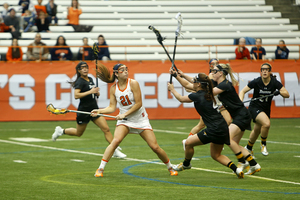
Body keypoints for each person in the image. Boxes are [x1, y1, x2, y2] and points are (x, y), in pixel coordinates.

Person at [91, 63, 178, 177]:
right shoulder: (113, 88)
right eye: (122, 70)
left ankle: (170, 167)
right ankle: (100, 169)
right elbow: (112, 107)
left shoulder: (133, 83)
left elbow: (138, 104)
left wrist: (124, 114)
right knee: (115, 141)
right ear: (116, 74)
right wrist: (99, 111)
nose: (126, 71)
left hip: (140, 119)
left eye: (126, 69)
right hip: (125, 121)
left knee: (155, 147)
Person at [168, 73, 244, 178]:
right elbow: (187, 84)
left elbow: (181, 98)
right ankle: (237, 170)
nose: (192, 82)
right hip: (222, 127)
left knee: (188, 143)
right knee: (216, 155)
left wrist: (172, 89)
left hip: (214, 129)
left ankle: (186, 164)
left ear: (199, 84)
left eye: (194, 81)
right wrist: (176, 75)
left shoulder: (197, 96)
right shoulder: (209, 92)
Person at [51, 61, 126, 159]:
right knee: (79, 133)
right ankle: (61, 131)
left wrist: (96, 93)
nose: (85, 69)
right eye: (82, 68)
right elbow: (76, 95)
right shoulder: (80, 81)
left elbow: (91, 92)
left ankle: (114, 150)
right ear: (79, 70)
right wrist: (91, 91)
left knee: (106, 129)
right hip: (84, 110)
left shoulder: (90, 79)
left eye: (86, 67)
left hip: (94, 109)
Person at [210, 63, 261, 175]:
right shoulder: (217, 83)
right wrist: (181, 76)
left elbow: (209, 92)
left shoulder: (225, 85)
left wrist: (199, 85)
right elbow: (197, 84)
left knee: (228, 138)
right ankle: (253, 164)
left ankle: (242, 161)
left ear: (220, 73)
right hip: (241, 116)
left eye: (214, 71)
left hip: (241, 115)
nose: (212, 73)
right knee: (235, 144)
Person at [173, 58, 232, 150]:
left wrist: (183, 76)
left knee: (227, 121)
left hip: (217, 103)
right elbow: (193, 82)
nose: (214, 65)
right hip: (211, 103)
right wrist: (182, 76)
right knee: (202, 125)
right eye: (213, 64)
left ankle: (216, 140)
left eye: (216, 63)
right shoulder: (211, 75)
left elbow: (193, 83)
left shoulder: (218, 75)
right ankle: (189, 141)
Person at [239, 63, 290, 157]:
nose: (264, 71)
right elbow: (242, 91)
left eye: (266, 69)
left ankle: (248, 148)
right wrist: (240, 102)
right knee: (266, 124)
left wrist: (279, 92)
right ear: (261, 71)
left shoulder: (274, 82)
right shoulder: (257, 81)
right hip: (254, 107)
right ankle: (263, 144)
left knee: (257, 129)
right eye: (262, 69)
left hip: (265, 109)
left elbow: (287, 94)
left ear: (270, 71)